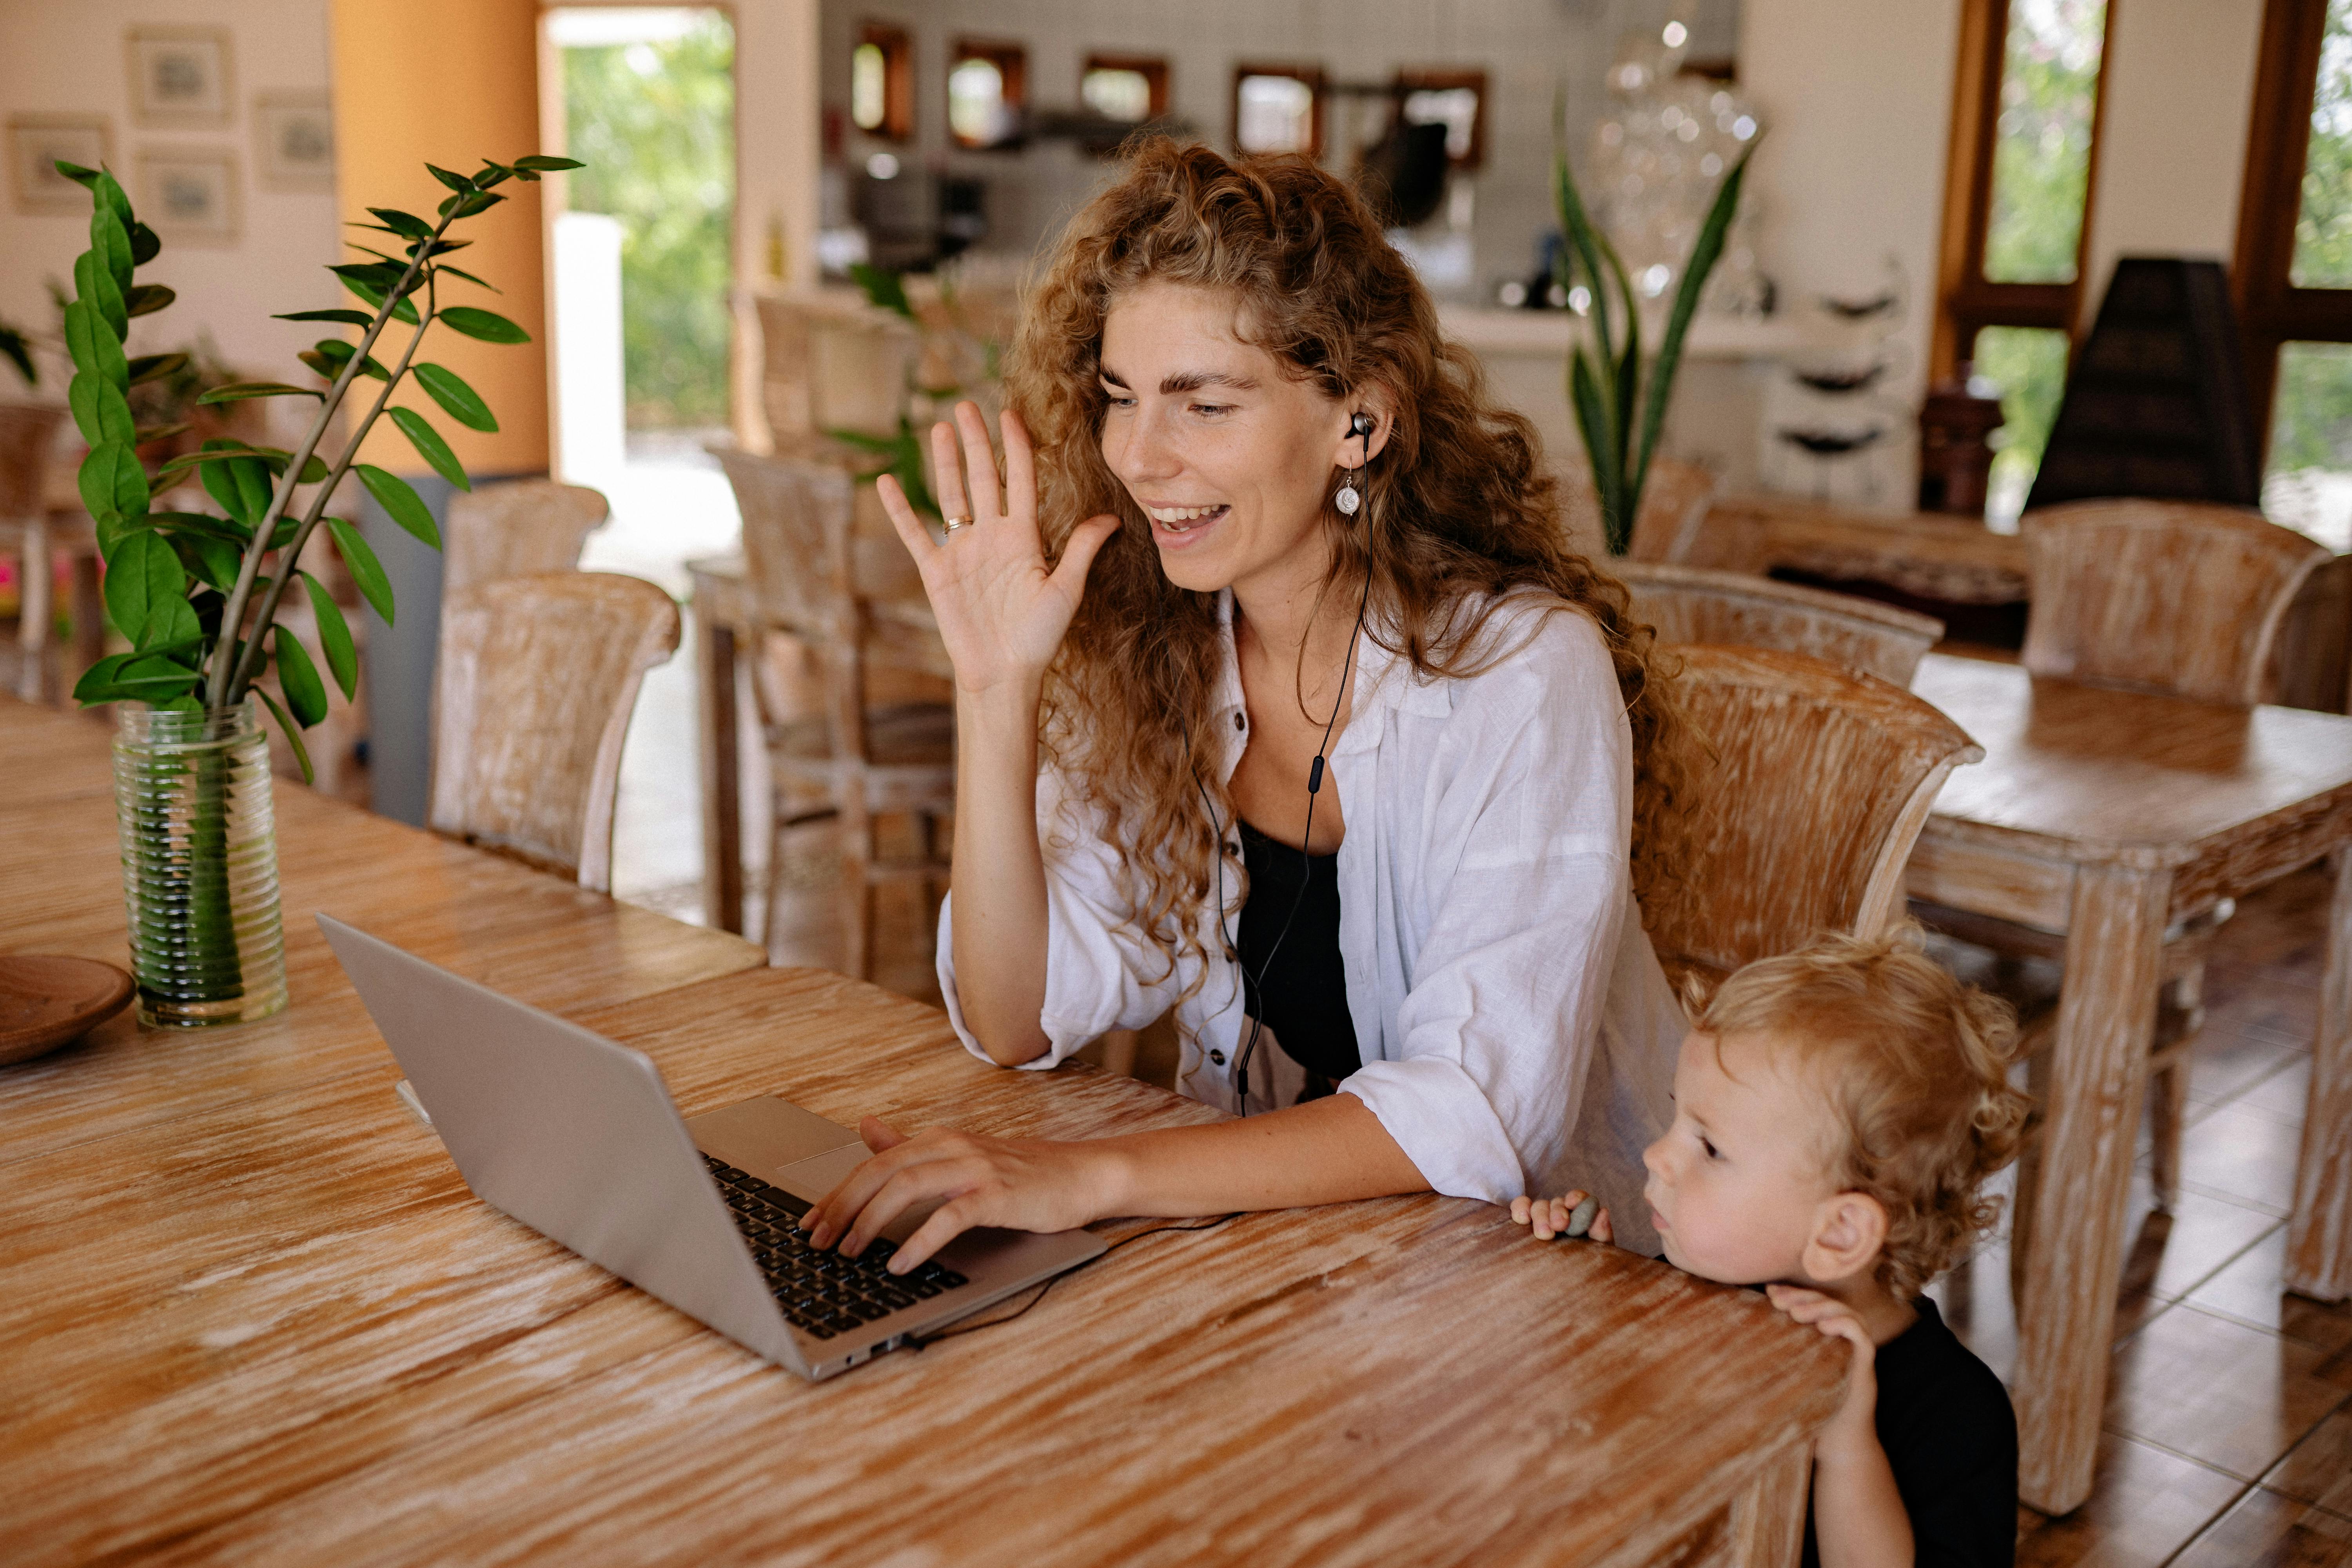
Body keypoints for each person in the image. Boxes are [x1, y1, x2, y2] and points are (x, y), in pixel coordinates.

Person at [799, 138, 1694, 1276]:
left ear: (1358, 424)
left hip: (1584, 1278)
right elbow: (1017, 1015)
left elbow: (1478, 1112)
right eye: (1120, 400)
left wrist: (1097, 1177)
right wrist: (997, 691)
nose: (1137, 456)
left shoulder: (1521, 677)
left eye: (1204, 406)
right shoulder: (1165, 646)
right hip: (1311, 1263)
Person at [1513, 926, 2029, 1568]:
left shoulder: (1957, 1418)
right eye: (1679, 1116)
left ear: (1839, 1233)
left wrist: (1845, 1443)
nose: (1656, 1155)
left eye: (1710, 1147)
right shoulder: (1697, 1287)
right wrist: (1590, 1279)